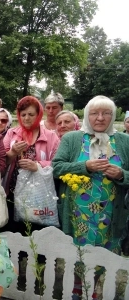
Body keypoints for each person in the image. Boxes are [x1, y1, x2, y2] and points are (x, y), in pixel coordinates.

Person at [52, 96, 129, 299]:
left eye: (106, 113)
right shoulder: (73, 139)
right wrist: (85, 166)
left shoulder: (124, 141)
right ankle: (76, 289)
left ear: (113, 117)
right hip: (78, 214)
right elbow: (57, 167)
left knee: (104, 256)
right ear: (87, 115)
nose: (100, 118)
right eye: (94, 113)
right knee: (77, 255)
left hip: (110, 215)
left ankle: (94, 288)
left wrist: (121, 175)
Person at [1, 96, 60, 234]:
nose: (26, 118)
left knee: (38, 234)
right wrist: (12, 152)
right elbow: (1, 161)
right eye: (23, 115)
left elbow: (58, 164)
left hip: (39, 195)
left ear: (39, 114)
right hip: (13, 193)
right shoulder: (12, 133)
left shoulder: (51, 137)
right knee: (14, 233)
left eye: (31, 114)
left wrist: (38, 166)